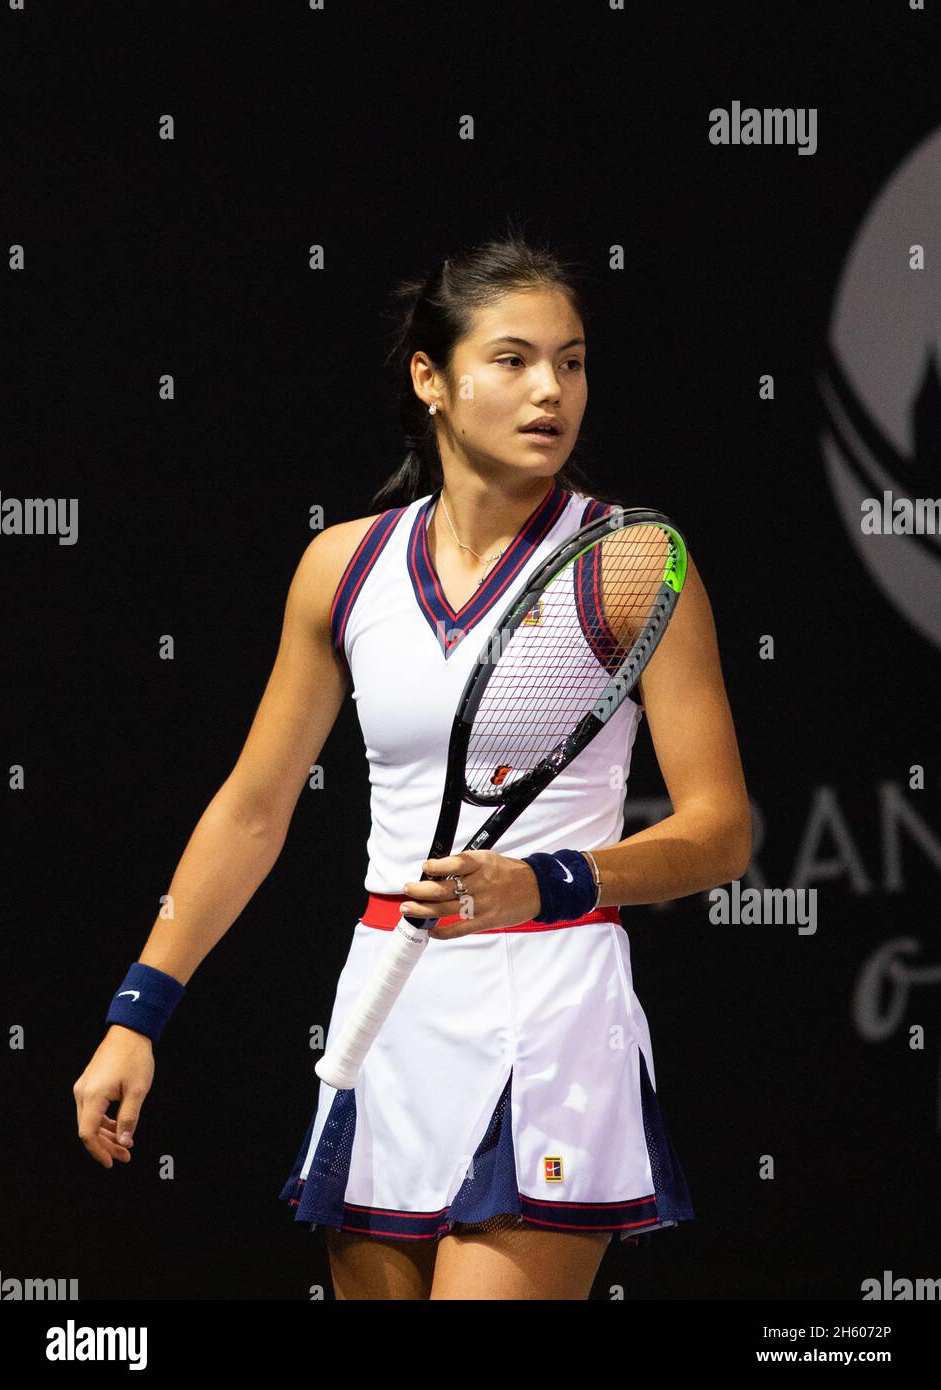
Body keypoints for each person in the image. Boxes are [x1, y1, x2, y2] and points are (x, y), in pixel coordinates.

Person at [73, 232, 751, 1301]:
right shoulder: (341, 568)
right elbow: (251, 812)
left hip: (556, 1005)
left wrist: (552, 878)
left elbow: (722, 831)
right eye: (516, 359)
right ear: (430, 380)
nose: (552, 391)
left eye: (571, 362)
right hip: (386, 1008)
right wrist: (136, 1014)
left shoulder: (628, 563)